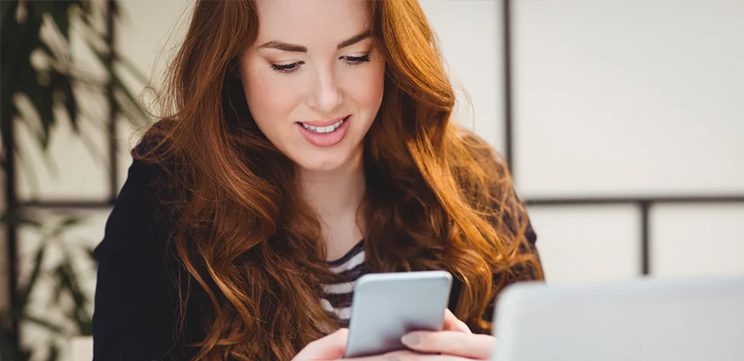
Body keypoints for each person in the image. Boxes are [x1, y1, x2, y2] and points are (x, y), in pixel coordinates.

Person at [92, 0, 544, 360]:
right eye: (287, 65)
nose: (327, 98)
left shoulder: (471, 182)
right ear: (232, 64)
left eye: (355, 56)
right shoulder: (168, 191)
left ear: (390, 54)